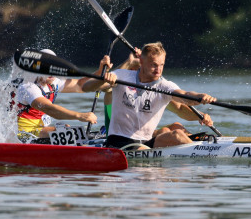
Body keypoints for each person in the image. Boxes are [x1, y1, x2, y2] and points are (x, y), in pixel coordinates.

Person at [83, 42, 217, 149]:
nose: (158, 70)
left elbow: (185, 96)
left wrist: (200, 96)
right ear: (141, 62)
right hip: (118, 142)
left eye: (161, 65)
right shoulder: (122, 76)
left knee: (176, 134)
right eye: (153, 65)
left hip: (145, 142)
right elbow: (86, 87)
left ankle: (202, 152)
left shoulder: (165, 86)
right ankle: (200, 151)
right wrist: (103, 79)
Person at [102, 50, 215, 138]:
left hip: (142, 136)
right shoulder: (117, 87)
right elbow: (107, 83)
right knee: (165, 131)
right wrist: (129, 62)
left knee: (177, 126)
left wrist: (200, 116)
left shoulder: (154, 90)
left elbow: (180, 108)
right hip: (119, 137)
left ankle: (202, 143)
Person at [13, 49, 108, 139]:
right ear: (37, 68)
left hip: (39, 130)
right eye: (45, 67)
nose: (50, 72)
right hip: (23, 134)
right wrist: (79, 115)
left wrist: (100, 72)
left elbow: (80, 85)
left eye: (52, 67)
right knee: (67, 130)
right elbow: (49, 109)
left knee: (68, 130)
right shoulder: (28, 87)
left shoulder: (53, 82)